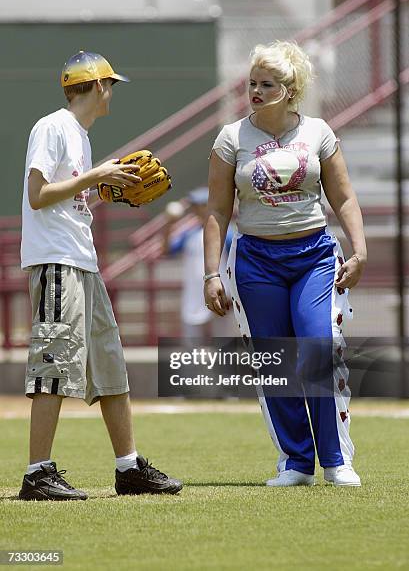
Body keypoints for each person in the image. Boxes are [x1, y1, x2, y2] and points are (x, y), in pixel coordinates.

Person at [19, 51, 182, 500]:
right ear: (96, 87)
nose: (111, 93)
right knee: (53, 365)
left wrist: (101, 191)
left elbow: (65, 201)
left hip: (82, 262)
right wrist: (96, 176)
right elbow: (37, 195)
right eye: (110, 85)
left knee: (110, 365)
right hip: (57, 263)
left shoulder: (80, 135)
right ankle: (37, 473)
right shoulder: (52, 127)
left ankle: (128, 467)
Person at [204, 41, 367, 487]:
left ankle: (336, 460)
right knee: (275, 361)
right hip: (256, 260)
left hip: (314, 256)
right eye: (252, 83)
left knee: (317, 349)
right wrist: (211, 273)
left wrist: (359, 248)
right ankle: (296, 462)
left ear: (289, 89)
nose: (255, 90)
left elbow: (344, 196)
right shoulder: (230, 138)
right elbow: (217, 211)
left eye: (266, 84)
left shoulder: (318, 132)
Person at [162, 187, 236, 342]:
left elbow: (236, 263)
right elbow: (167, 250)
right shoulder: (189, 234)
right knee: (192, 347)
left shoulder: (227, 233)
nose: (194, 209)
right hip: (194, 296)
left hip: (221, 294)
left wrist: (232, 292)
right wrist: (168, 225)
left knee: (224, 344)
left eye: (199, 205)